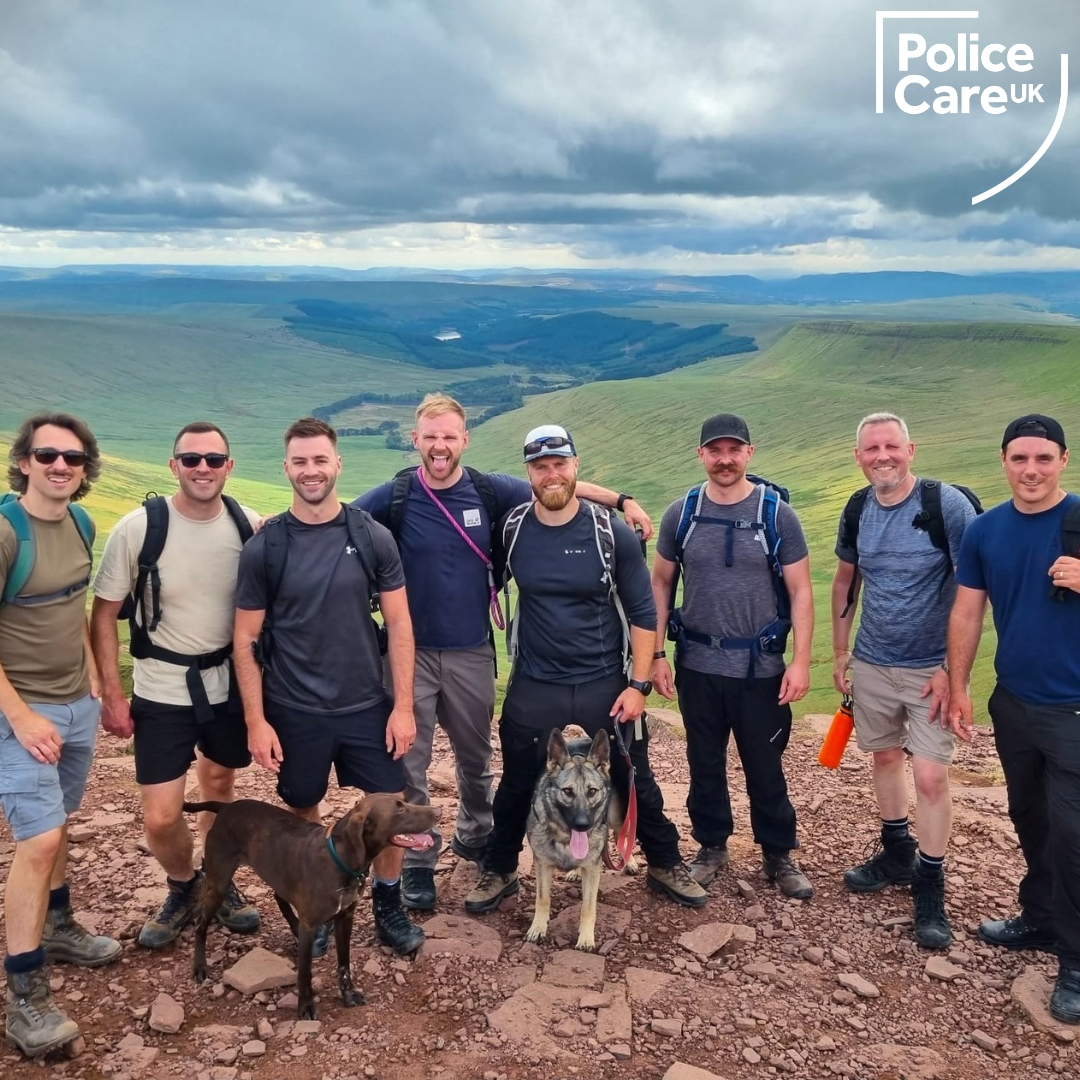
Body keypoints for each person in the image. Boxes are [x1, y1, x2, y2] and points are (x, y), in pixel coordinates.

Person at [354, 394, 653, 912]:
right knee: (412, 763)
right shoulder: (397, 494)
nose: (440, 445)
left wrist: (621, 500)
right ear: (416, 440)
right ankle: (420, 863)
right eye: (431, 436)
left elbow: (557, 483)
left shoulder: (491, 491)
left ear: (464, 440)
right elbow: (343, 516)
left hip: (472, 649)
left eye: (450, 436)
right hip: (410, 654)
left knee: (476, 759)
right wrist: (276, 522)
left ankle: (477, 838)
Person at [463, 424, 706, 914]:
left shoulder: (608, 531)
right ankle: (500, 868)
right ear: (528, 472)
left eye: (560, 464)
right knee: (517, 779)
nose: (551, 475)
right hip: (535, 679)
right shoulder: (512, 529)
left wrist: (638, 685)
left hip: (603, 678)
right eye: (540, 467)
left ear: (576, 466)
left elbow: (642, 611)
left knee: (631, 774)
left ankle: (663, 861)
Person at [233, 416, 425, 955]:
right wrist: (256, 720)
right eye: (300, 461)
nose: (310, 470)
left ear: (337, 464)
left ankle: (388, 903)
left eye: (320, 460)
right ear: (286, 467)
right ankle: (315, 905)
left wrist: (403, 706)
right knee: (303, 812)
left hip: (367, 704)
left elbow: (401, 625)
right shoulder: (265, 547)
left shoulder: (370, 536)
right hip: (295, 708)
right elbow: (245, 639)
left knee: (391, 810)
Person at [91, 422, 261, 949]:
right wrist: (113, 695)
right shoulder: (139, 527)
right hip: (161, 687)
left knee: (219, 790)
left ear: (229, 467)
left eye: (214, 460)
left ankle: (218, 880)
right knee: (162, 816)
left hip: (226, 684)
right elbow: (103, 616)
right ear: (174, 466)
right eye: (191, 460)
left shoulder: (248, 524)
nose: (203, 469)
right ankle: (182, 885)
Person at [949, 413, 1080, 1023]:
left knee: (1073, 833)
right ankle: (1041, 917)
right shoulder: (986, 531)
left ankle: (1076, 962)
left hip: (1075, 709)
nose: (1031, 470)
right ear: (1003, 460)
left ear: (1063, 460)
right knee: (1028, 815)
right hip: (1016, 702)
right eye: (1020, 458)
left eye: (1044, 458)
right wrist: (959, 685)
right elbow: (969, 613)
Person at [650, 413, 815, 899]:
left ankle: (778, 853)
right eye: (715, 451)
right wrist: (657, 653)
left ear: (749, 452)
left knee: (765, 762)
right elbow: (661, 582)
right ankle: (711, 846)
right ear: (701, 455)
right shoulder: (681, 513)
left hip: (759, 667)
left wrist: (800, 660)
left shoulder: (776, 513)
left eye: (734, 450)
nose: (725, 459)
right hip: (697, 664)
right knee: (703, 761)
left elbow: (801, 590)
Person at [831, 413, 977, 949]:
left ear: (911, 450)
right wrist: (842, 651)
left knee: (932, 776)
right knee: (885, 757)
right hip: (872, 660)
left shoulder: (945, 506)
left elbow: (973, 588)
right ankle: (897, 852)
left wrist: (950, 670)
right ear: (859, 456)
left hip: (929, 669)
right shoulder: (857, 509)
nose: (882, 456)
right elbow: (847, 579)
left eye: (891, 446)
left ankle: (930, 882)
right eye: (872, 448)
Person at [0, 413, 120, 1058]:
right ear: (23, 461)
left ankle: (61, 924)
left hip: (75, 703)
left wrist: (97, 680)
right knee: (39, 836)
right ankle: (27, 999)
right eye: (47, 454)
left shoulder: (79, 523)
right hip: (20, 711)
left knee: (62, 821)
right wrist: (21, 716)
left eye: (73, 458)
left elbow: (70, 602)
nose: (60, 466)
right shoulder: (3, 532)